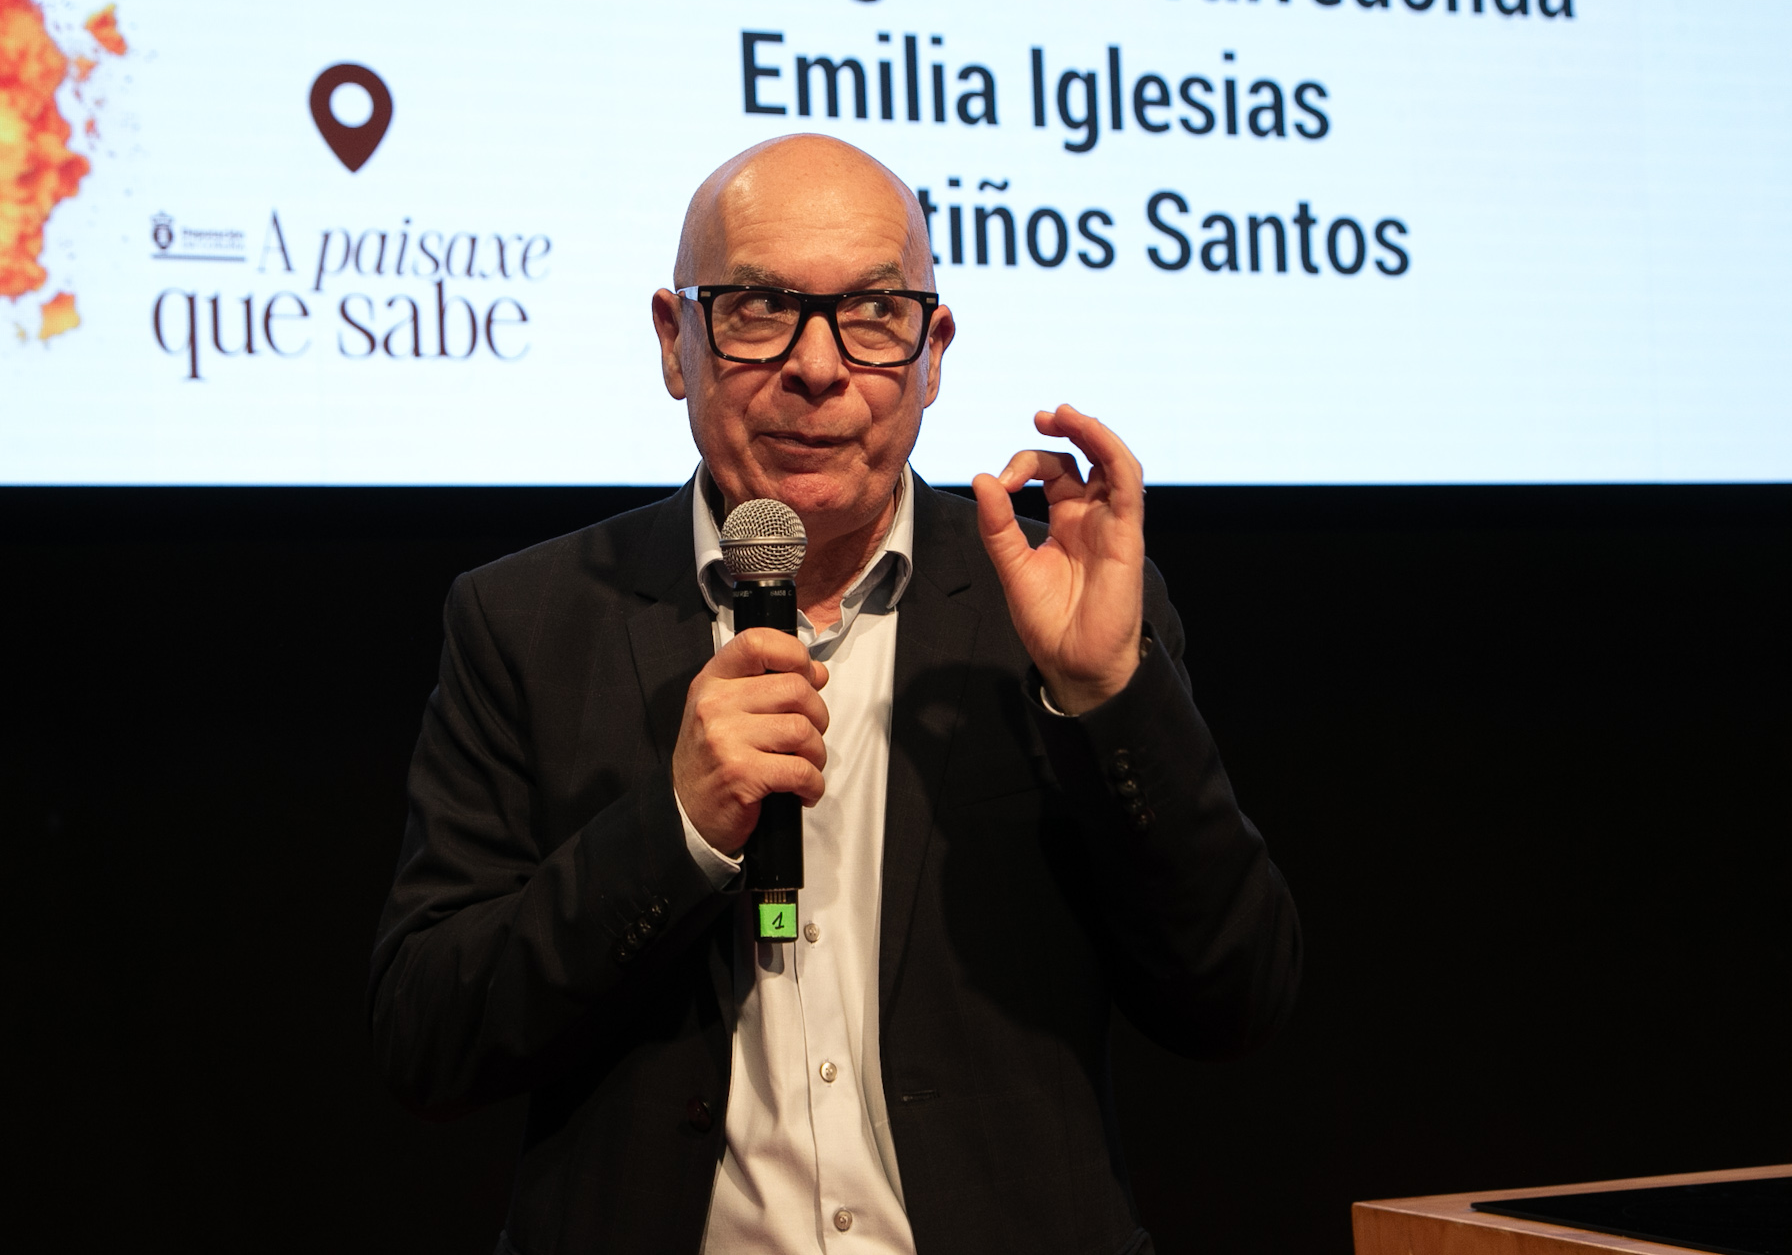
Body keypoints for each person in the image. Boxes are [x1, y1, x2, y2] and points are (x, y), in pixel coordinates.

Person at [370, 134, 1300, 1255]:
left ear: (931, 353)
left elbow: (1234, 998)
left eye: (872, 312)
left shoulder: (1047, 605)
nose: (817, 367)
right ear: (675, 341)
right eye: (760, 307)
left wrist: (1107, 698)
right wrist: (674, 831)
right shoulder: (527, 620)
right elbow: (427, 1034)